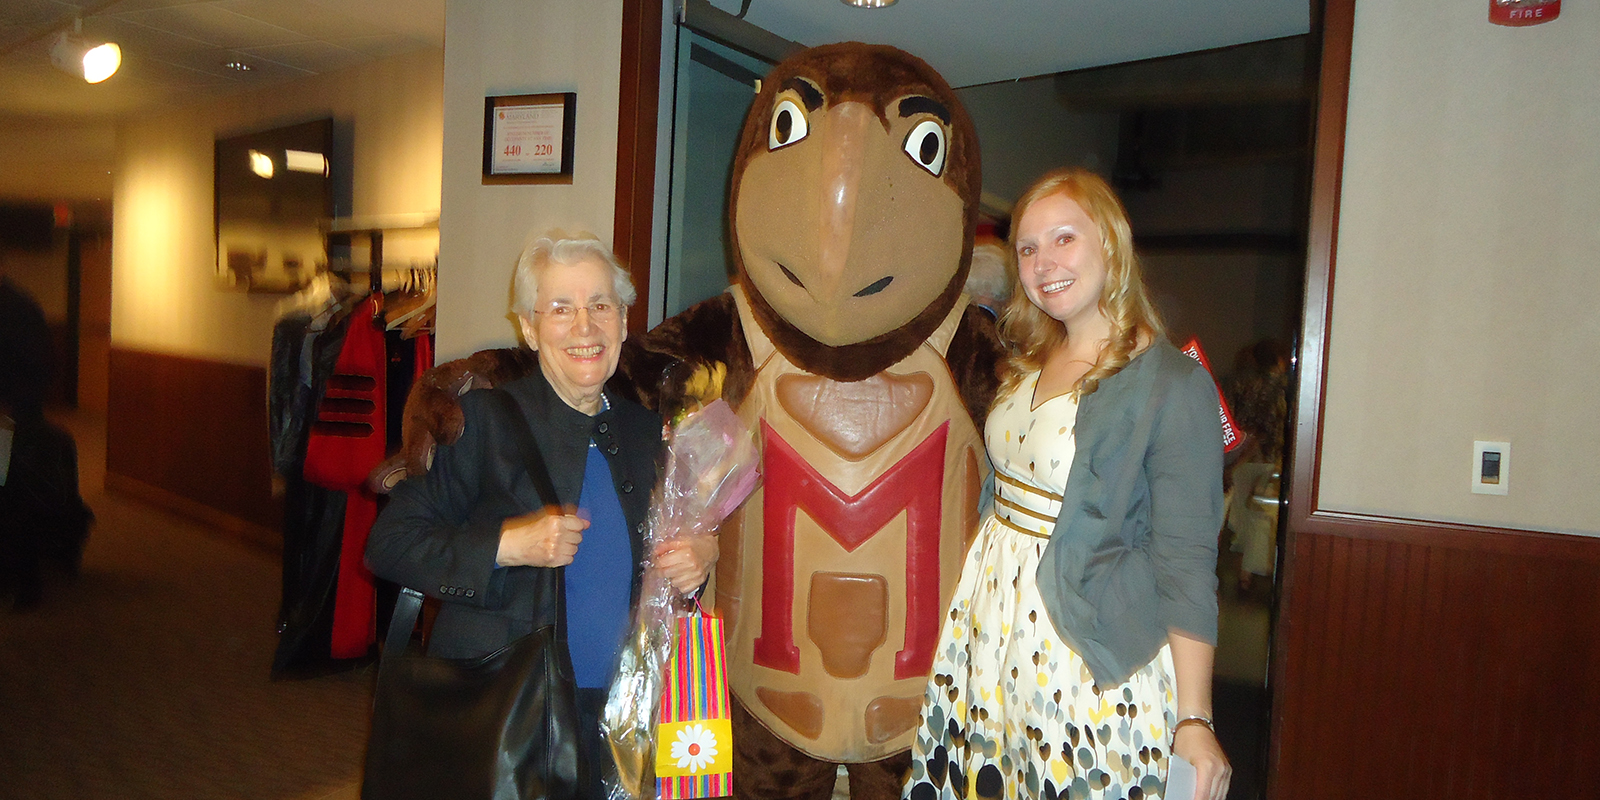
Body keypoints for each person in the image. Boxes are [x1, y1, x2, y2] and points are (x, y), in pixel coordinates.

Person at [903, 169, 1231, 800]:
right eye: (1027, 248)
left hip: (1085, 653)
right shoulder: (1028, 358)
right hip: (995, 635)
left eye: (1063, 239)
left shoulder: (1170, 382)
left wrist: (1195, 717)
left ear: (1111, 242)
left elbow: (1187, 559)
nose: (1042, 262)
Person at [364, 233, 717, 794]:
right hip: (509, 709)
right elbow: (389, 543)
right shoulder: (482, 420)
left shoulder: (647, 431)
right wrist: (507, 545)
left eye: (601, 305)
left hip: (623, 709)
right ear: (529, 328)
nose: (585, 326)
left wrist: (701, 556)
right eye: (561, 309)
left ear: (624, 322)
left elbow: (665, 551)